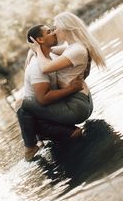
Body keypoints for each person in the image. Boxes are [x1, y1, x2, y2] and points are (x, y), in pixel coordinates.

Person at [18, 12, 106, 161]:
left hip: (77, 105)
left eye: (56, 28)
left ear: (66, 28)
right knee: (29, 111)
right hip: (81, 100)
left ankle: (30, 147)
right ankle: (50, 136)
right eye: (51, 31)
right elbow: (50, 50)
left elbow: (46, 67)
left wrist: (37, 49)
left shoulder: (76, 50)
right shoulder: (72, 47)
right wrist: (33, 50)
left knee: (21, 105)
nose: (54, 31)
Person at [17, 24, 85, 161]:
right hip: (40, 116)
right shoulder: (37, 66)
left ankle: (39, 138)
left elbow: (74, 49)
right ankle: (33, 142)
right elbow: (43, 98)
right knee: (76, 133)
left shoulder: (51, 57)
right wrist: (71, 89)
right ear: (40, 40)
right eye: (49, 32)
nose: (54, 33)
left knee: (76, 133)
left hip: (48, 111)